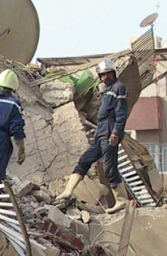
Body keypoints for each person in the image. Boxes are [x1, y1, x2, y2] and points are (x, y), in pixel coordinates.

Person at [54, 58, 128, 213]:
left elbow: (121, 113)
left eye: (108, 73)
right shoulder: (107, 90)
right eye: (103, 74)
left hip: (109, 130)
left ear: (113, 73)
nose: (106, 76)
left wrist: (116, 132)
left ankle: (122, 200)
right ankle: (68, 192)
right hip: (100, 131)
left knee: (109, 167)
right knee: (85, 160)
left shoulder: (119, 88)